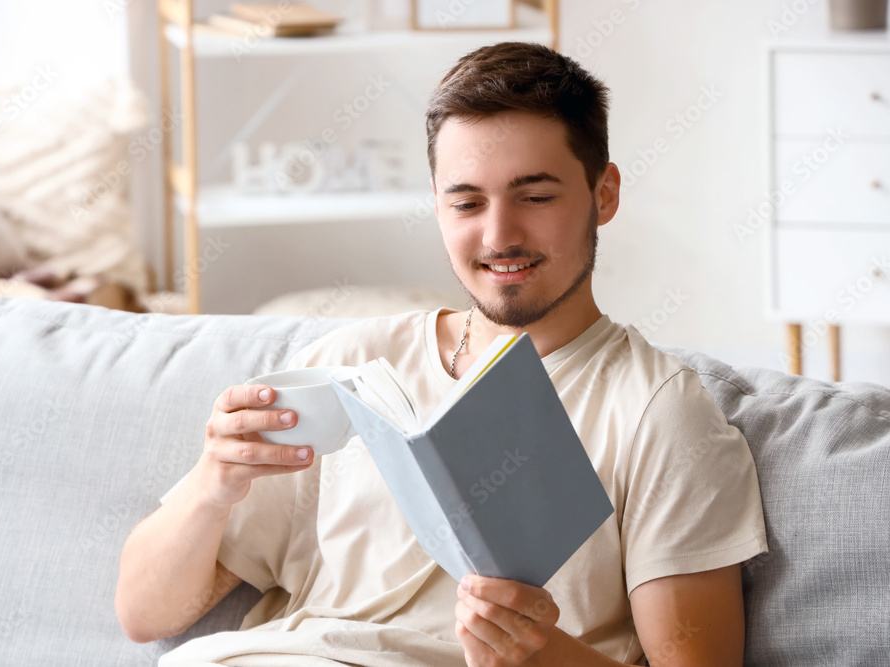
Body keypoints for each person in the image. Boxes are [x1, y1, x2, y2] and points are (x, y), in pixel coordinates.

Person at [115, 41, 768, 666]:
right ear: (436, 206)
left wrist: (548, 657)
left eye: (536, 196)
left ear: (604, 194)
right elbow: (143, 614)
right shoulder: (352, 362)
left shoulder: (660, 412)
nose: (498, 234)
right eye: (466, 202)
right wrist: (211, 486)